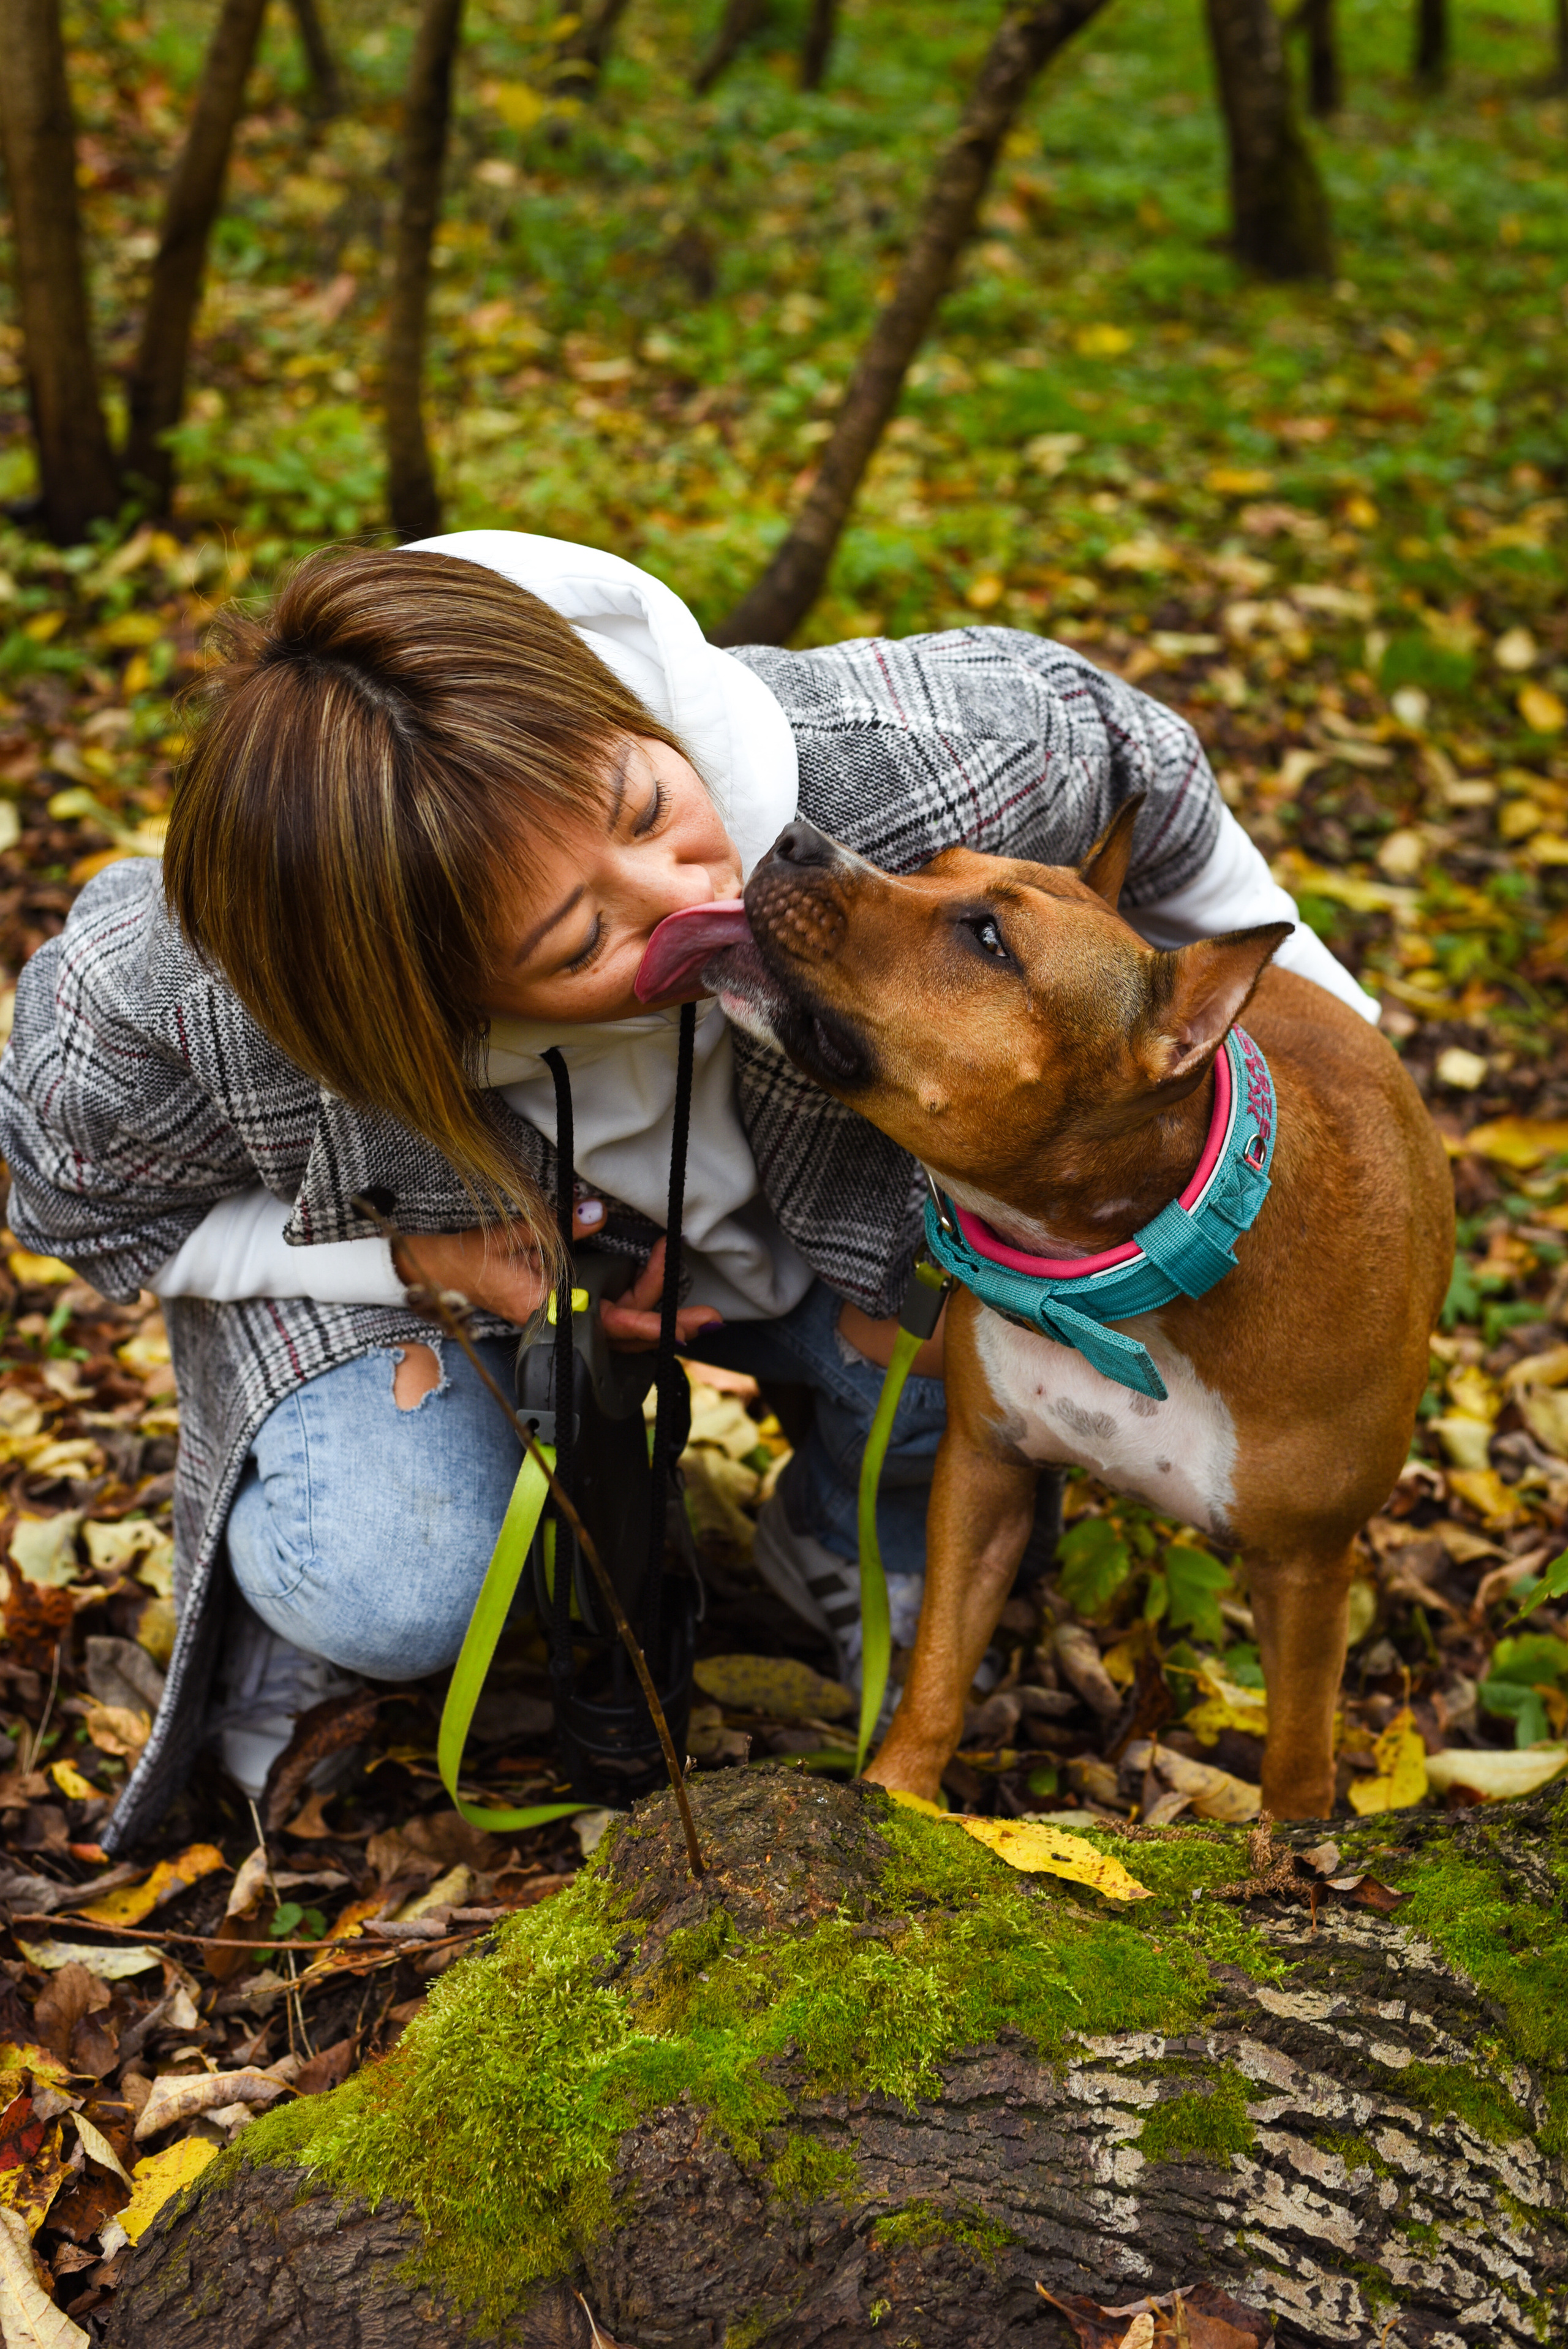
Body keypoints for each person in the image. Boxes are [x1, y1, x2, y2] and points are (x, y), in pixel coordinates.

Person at [0, 532, 1378, 1847]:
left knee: (960, 1348)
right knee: (392, 1573)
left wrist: (1348, 1069)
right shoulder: (180, 1008)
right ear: (431, 991)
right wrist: (423, 1263)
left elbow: (1148, 774)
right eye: (578, 938)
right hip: (423, 1267)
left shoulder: (927, 763)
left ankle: (828, 1534)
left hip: (798, 1231)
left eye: (650, 809)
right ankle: (322, 1609)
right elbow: (83, 1215)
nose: (683, 893)